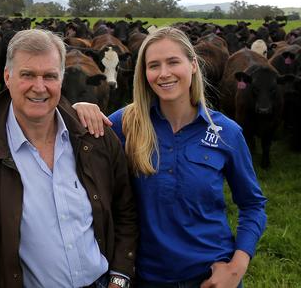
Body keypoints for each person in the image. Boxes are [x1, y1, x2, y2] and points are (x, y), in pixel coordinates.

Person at [0, 29, 137, 288]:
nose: (39, 87)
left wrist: (120, 276)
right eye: (27, 75)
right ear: (7, 77)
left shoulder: (94, 137)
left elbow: (125, 212)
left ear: (61, 79)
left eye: (49, 76)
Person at [74, 26, 267, 288]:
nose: (164, 74)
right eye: (154, 65)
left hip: (211, 276)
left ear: (194, 65)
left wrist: (237, 266)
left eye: (173, 62)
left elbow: (253, 204)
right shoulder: (124, 124)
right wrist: (75, 110)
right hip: (145, 276)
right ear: (144, 73)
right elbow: (66, 143)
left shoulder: (226, 133)